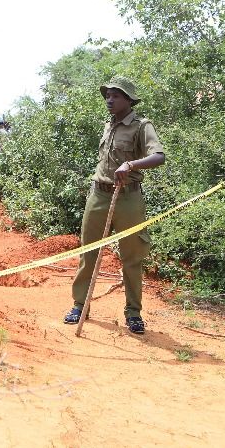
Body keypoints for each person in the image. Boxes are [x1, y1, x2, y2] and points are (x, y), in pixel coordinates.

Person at [63, 77, 165, 335]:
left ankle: (133, 313)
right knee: (89, 252)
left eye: (115, 96)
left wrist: (131, 165)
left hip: (128, 198)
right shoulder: (107, 125)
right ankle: (80, 305)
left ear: (129, 100)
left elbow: (159, 156)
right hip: (99, 195)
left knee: (132, 258)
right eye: (107, 95)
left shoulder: (142, 126)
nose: (109, 100)